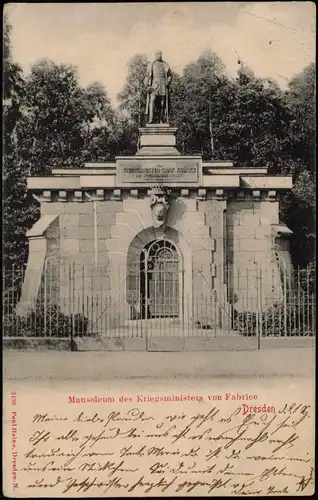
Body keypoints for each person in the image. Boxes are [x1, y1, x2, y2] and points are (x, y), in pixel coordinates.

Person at [145, 51, 172, 124]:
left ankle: (161, 119)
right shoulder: (151, 65)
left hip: (163, 84)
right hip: (154, 85)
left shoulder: (165, 64)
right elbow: (147, 76)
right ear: (155, 55)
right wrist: (147, 85)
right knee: (152, 101)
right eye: (158, 54)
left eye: (160, 54)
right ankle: (151, 119)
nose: (159, 55)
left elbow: (169, 75)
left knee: (162, 103)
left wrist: (168, 81)